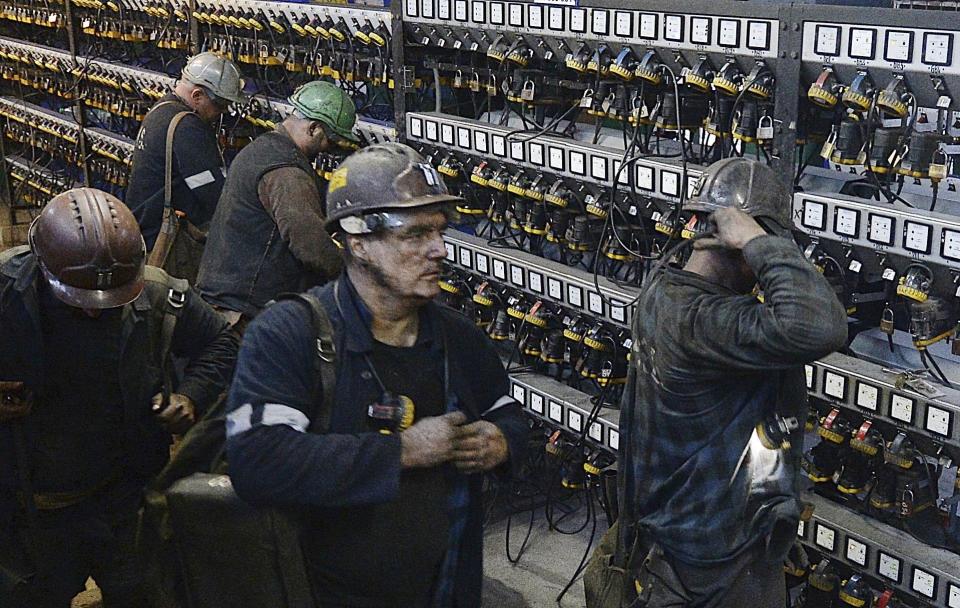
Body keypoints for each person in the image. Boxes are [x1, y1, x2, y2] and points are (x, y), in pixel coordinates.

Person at [224, 143, 528, 607]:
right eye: (416, 235)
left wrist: (502, 442)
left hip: (444, 590)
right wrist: (402, 451)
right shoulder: (292, 335)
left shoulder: (457, 339)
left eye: (441, 232)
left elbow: (509, 414)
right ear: (359, 241)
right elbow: (258, 461)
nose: (440, 250)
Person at [616, 158, 848, 607]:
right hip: (711, 561)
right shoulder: (707, 319)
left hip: (687, 539)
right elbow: (820, 327)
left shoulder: (665, 291)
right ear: (738, 237)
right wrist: (762, 242)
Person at [0, 188, 239, 607]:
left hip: (125, 500)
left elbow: (220, 341)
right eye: (80, 298)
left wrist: (190, 394)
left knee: (143, 594)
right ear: (43, 265)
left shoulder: (155, 293)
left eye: (107, 300)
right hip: (33, 511)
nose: (95, 310)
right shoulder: (6, 294)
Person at [196, 80, 355, 329]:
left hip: (224, 297)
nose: (328, 150)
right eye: (330, 142)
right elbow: (308, 242)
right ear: (313, 128)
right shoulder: (285, 170)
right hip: (243, 312)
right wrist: (354, 273)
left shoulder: (262, 147)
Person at [126, 52, 244, 253]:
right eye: (220, 105)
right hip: (165, 241)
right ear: (197, 95)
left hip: (143, 228)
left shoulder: (163, 108)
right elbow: (214, 195)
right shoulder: (188, 127)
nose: (223, 112)